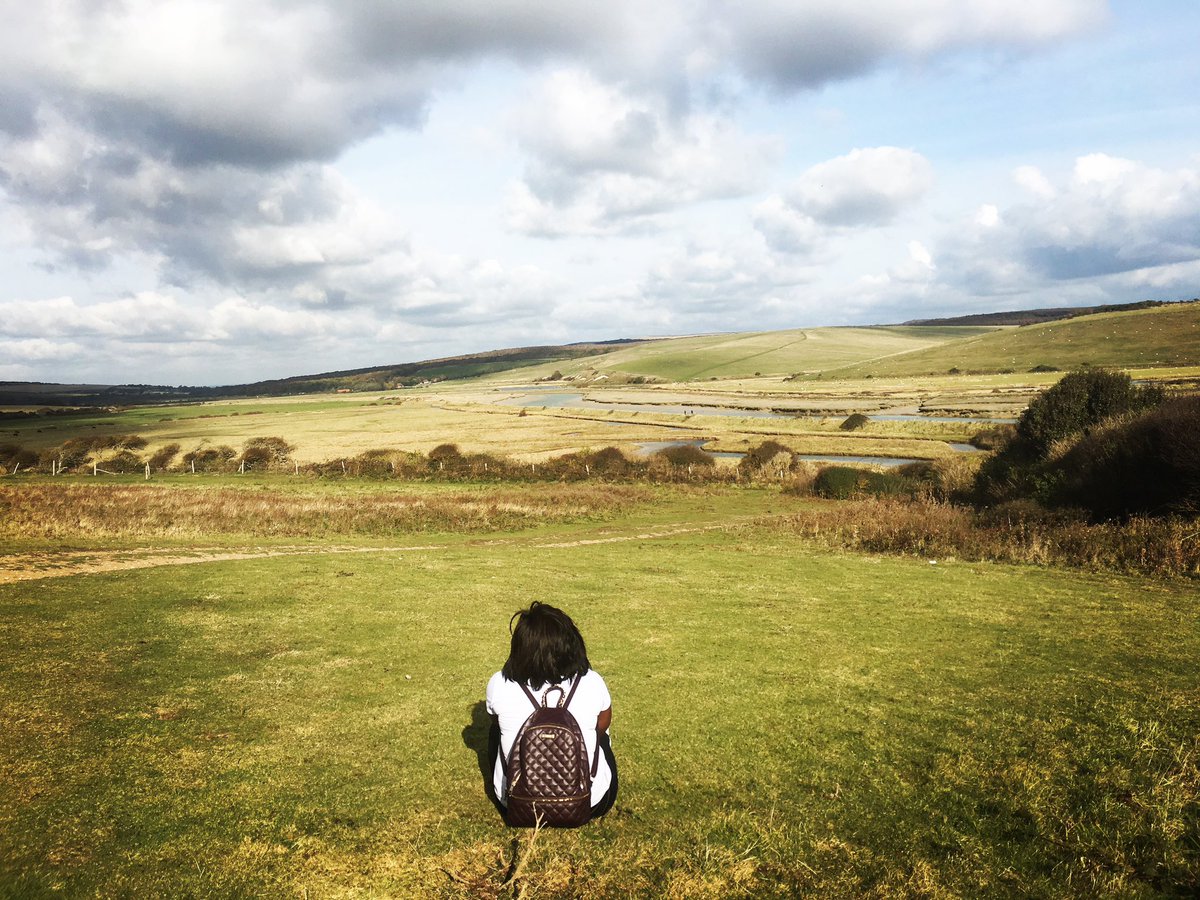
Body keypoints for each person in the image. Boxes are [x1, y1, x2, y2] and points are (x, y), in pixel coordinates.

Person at [485, 602, 617, 821]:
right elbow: (603, 725)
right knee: (600, 735)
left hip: (517, 804)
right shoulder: (592, 682)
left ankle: (507, 785)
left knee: (494, 733)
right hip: (588, 803)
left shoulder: (499, 683)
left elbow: (495, 721)